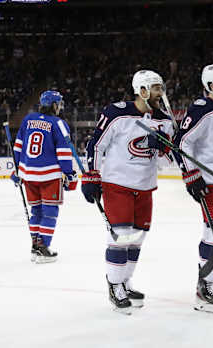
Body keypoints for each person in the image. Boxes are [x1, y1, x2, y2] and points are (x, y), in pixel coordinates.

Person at [81, 70, 174, 315]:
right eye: (155, 88)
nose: (160, 92)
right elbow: (96, 145)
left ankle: (126, 281)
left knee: (138, 237)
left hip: (145, 187)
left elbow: (166, 164)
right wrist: (91, 175)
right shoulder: (116, 113)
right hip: (117, 185)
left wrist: (164, 148)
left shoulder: (163, 120)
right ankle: (114, 284)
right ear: (142, 90)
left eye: (160, 87)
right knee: (121, 235)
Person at [172, 63, 213, 314]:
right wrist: (191, 174)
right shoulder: (203, 109)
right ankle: (204, 287)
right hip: (210, 181)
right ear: (211, 86)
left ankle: (208, 283)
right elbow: (182, 142)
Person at [11, 90, 77, 264]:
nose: (60, 106)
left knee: (36, 212)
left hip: (28, 175)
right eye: (59, 103)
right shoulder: (59, 123)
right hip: (49, 176)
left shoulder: (28, 119)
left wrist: (17, 170)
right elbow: (63, 152)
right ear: (54, 105)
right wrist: (69, 173)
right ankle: (43, 247)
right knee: (50, 212)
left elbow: (18, 146)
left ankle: (35, 247)